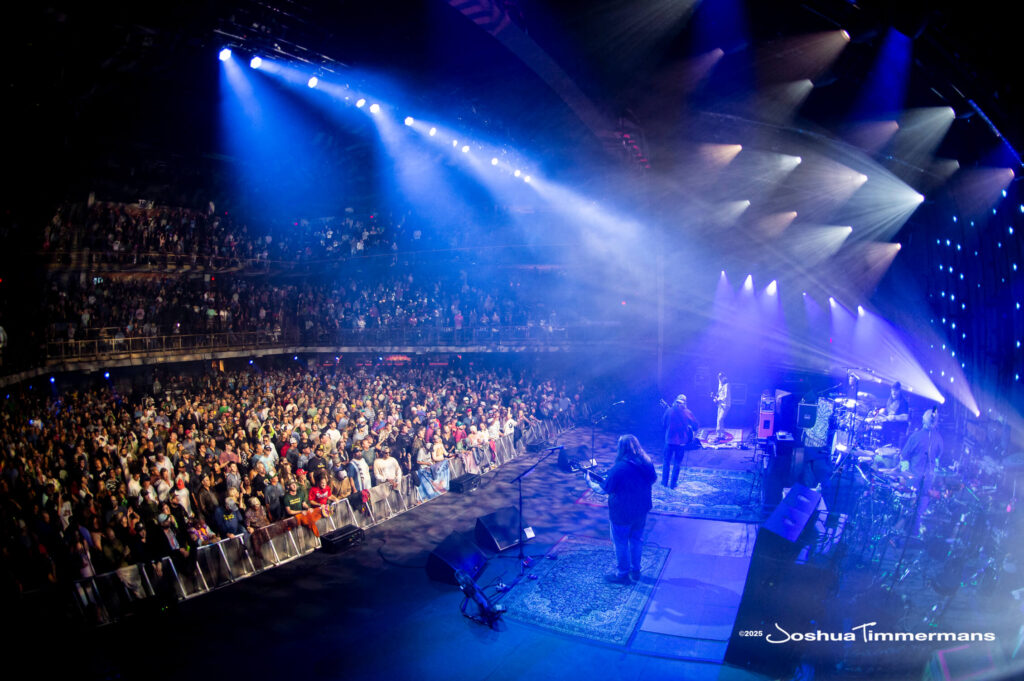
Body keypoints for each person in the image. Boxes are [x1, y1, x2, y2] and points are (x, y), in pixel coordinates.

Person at [587, 434, 657, 584]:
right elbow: (653, 480)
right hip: (641, 510)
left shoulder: (619, 468)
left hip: (622, 513)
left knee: (620, 542)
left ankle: (622, 574)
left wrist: (589, 482)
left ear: (620, 449)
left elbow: (604, 489)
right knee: (637, 540)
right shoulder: (646, 462)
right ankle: (636, 570)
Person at [898, 407, 943, 537]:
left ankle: (903, 534)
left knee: (909, 509)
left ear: (924, 420)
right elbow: (939, 457)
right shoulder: (937, 438)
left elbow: (904, 455)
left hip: (916, 480)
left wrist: (905, 474)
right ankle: (912, 535)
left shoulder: (916, 437)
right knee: (919, 511)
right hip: (923, 480)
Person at [662, 394, 698, 488]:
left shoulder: (669, 411)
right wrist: (689, 427)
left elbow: (663, 423)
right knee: (677, 463)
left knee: (666, 462)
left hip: (669, 440)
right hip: (681, 442)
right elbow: (696, 426)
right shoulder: (687, 412)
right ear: (685, 403)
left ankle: (664, 483)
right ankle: (673, 484)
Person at [712, 373, 731, 442]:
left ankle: (719, 435)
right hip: (720, 404)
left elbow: (725, 396)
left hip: (726, 405)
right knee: (719, 420)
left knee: (720, 419)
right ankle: (720, 435)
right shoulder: (720, 384)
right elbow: (719, 393)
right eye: (719, 377)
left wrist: (718, 399)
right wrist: (716, 398)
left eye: (721, 377)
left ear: (724, 377)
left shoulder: (727, 385)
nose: (719, 379)